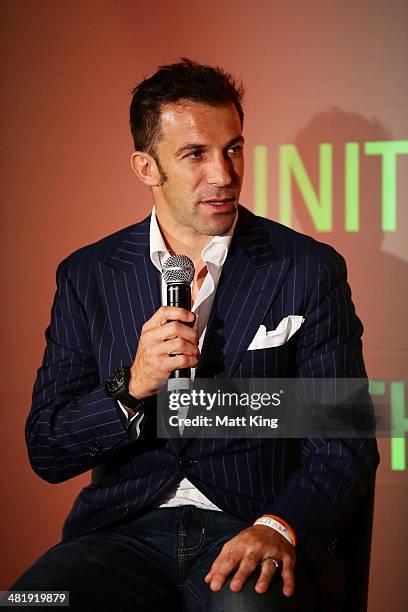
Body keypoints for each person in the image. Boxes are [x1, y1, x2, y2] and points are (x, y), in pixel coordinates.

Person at [7, 58, 379, 611]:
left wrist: (279, 525)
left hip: (249, 524)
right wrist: (132, 385)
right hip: (120, 531)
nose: (225, 175)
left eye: (233, 148)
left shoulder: (308, 269)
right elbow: (48, 447)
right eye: (195, 155)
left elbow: (345, 440)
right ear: (146, 167)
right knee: (32, 603)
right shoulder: (88, 275)